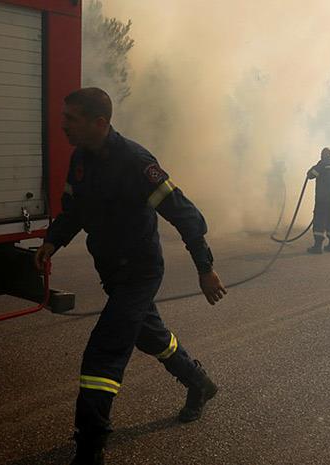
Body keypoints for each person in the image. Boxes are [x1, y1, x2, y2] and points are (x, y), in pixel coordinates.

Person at [34, 88, 227, 465]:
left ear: (99, 122)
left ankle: (90, 447)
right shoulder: (80, 160)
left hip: (140, 272)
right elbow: (74, 211)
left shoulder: (137, 162)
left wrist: (205, 269)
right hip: (111, 272)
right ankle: (200, 384)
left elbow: (184, 214)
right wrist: (52, 241)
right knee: (152, 337)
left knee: (104, 351)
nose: (63, 125)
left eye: (71, 118)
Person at [306, 147, 330, 253]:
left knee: (319, 221)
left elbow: (311, 175)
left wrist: (314, 168)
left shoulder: (323, 163)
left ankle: (317, 247)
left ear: (323, 154)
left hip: (322, 198)